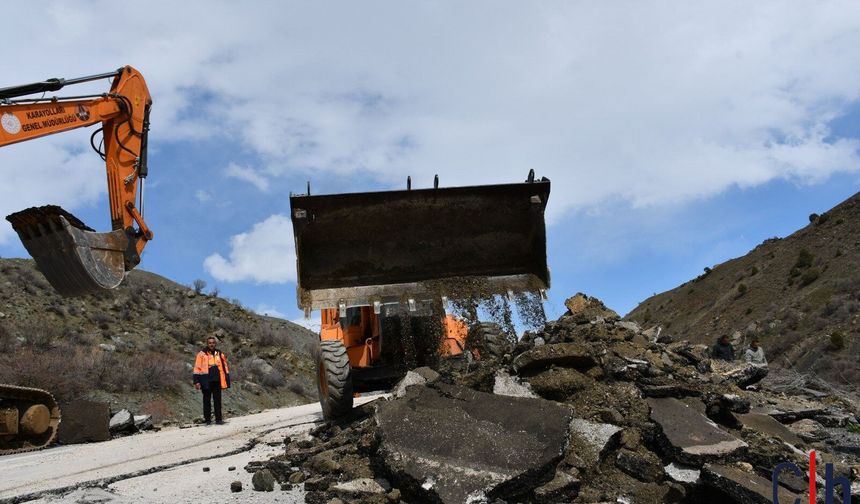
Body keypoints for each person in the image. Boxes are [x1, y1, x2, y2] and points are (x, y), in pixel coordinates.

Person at [193, 336, 230, 425]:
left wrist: (226, 379)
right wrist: (196, 381)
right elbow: (197, 368)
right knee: (206, 401)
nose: (211, 344)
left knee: (217, 400)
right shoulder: (201, 354)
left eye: (213, 343)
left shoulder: (219, 353)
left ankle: (219, 419)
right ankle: (208, 420)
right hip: (205, 381)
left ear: (215, 344)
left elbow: (225, 366)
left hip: (217, 380)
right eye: (210, 343)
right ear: (207, 344)